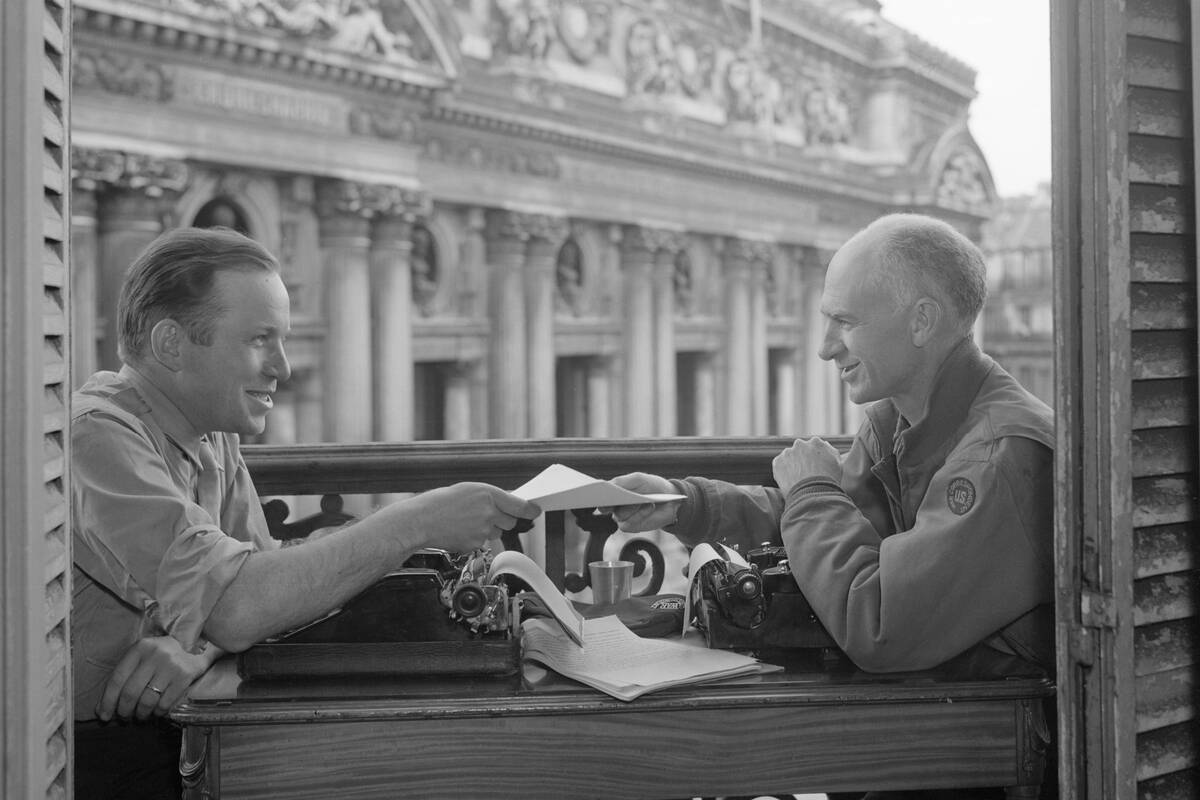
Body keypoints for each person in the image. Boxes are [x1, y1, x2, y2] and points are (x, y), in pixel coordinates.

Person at [71, 226, 541, 798]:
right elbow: (241, 605)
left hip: (172, 725)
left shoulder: (210, 436)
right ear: (171, 344)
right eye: (260, 339)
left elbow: (264, 589)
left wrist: (196, 645)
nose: (283, 368)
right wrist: (417, 520)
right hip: (90, 756)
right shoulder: (97, 438)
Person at [609, 213, 1055, 799]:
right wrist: (687, 504)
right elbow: (832, 526)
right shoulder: (904, 416)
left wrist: (813, 491)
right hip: (930, 736)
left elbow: (879, 625)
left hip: (988, 760)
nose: (824, 347)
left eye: (845, 321)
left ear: (922, 321)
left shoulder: (999, 456)